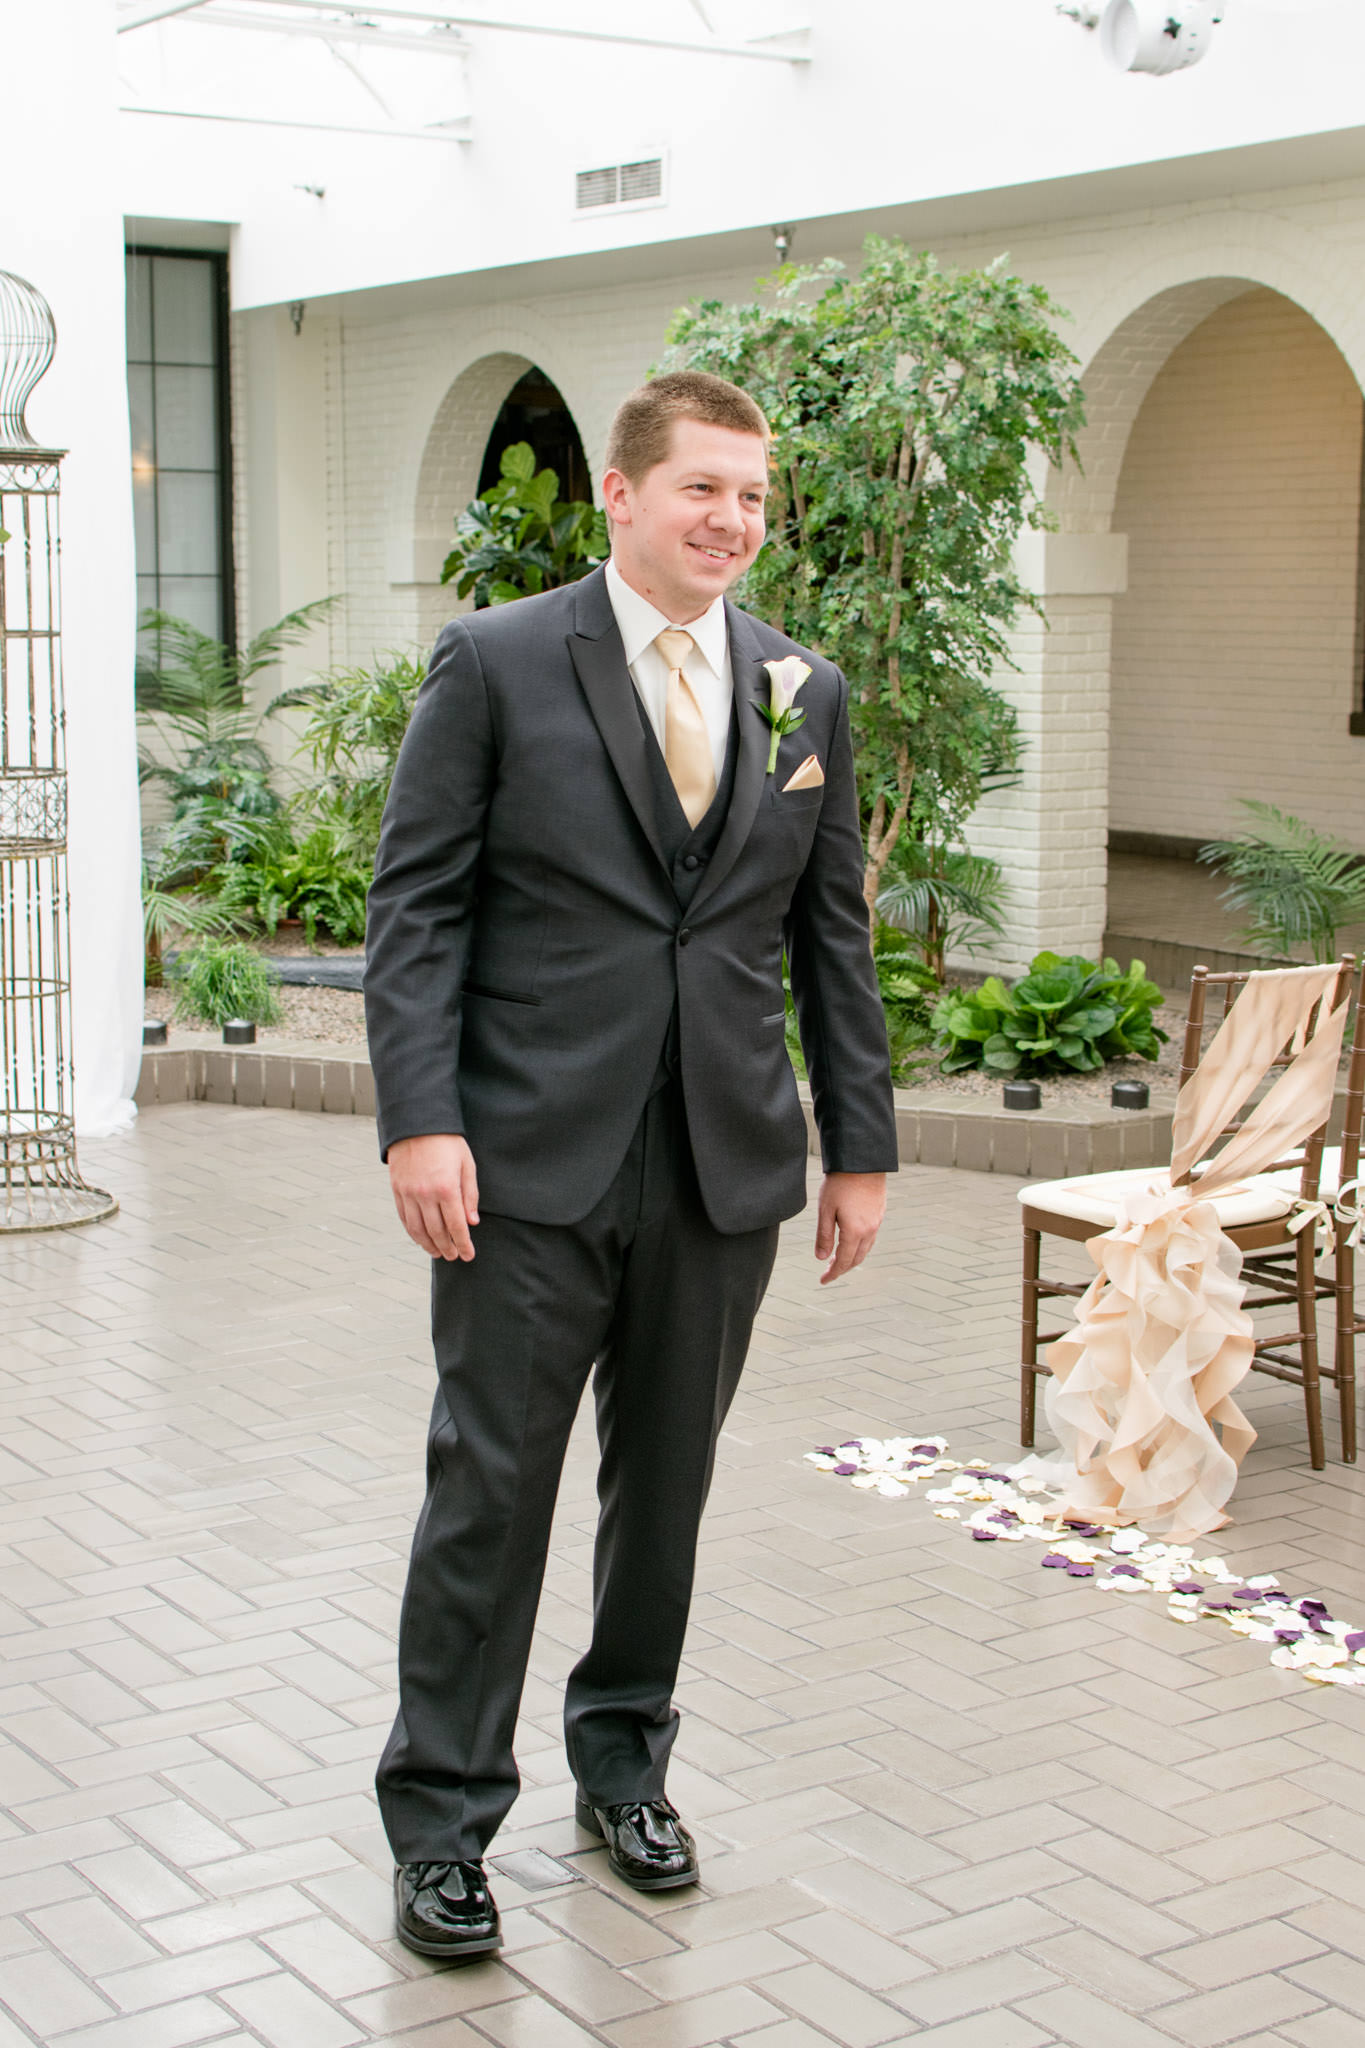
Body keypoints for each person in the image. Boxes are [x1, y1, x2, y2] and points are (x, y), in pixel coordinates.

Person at [365, 369, 897, 1961]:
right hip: (524, 1162)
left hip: (717, 1163)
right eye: (702, 490)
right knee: (492, 1494)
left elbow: (829, 937)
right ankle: (443, 1819)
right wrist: (419, 1116)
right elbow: (419, 909)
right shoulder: (499, 659)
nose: (733, 520)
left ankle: (623, 1770)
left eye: (752, 495)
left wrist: (856, 1146)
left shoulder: (803, 687)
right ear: (620, 491)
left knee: (662, 1494)